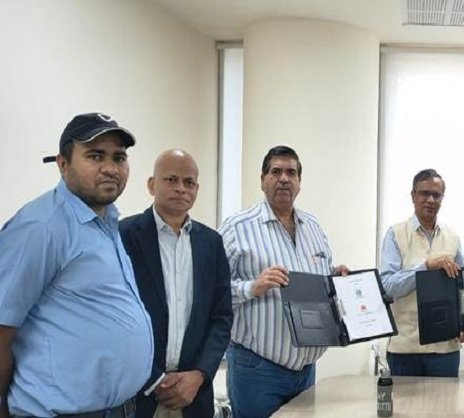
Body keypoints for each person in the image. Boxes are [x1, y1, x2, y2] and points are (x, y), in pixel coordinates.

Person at [0, 113, 153, 418]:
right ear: (63, 163)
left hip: (120, 409)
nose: (110, 168)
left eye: (119, 157)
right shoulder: (41, 226)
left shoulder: (106, 221)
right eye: (95, 156)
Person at [217, 145, 348, 418]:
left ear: (299, 182)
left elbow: (320, 277)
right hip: (258, 370)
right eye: (276, 172)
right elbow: (211, 292)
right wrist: (252, 287)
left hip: (306, 370)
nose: (284, 179)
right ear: (262, 180)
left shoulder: (313, 227)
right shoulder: (237, 228)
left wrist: (335, 278)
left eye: (291, 173)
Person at [119, 150, 233, 418]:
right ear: (151, 184)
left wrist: (200, 374)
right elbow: (115, 318)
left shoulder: (211, 243)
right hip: (138, 392)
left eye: (189, 182)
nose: (181, 188)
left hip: (194, 393)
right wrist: (154, 380)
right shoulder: (123, 236)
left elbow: (221, 317)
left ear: (196, 189)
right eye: (171, 180)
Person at [379, 169, 464, 377]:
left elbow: (463, 289)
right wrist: (425, 267)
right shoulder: (395, 234)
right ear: (413, 196)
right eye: (424, 193)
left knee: (446, 401)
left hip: (446, 349)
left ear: (442, 199)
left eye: (436, 195)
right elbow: (388, 287)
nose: (430, 200)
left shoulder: (453, 237)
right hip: (405, 350)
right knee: (403, 401)